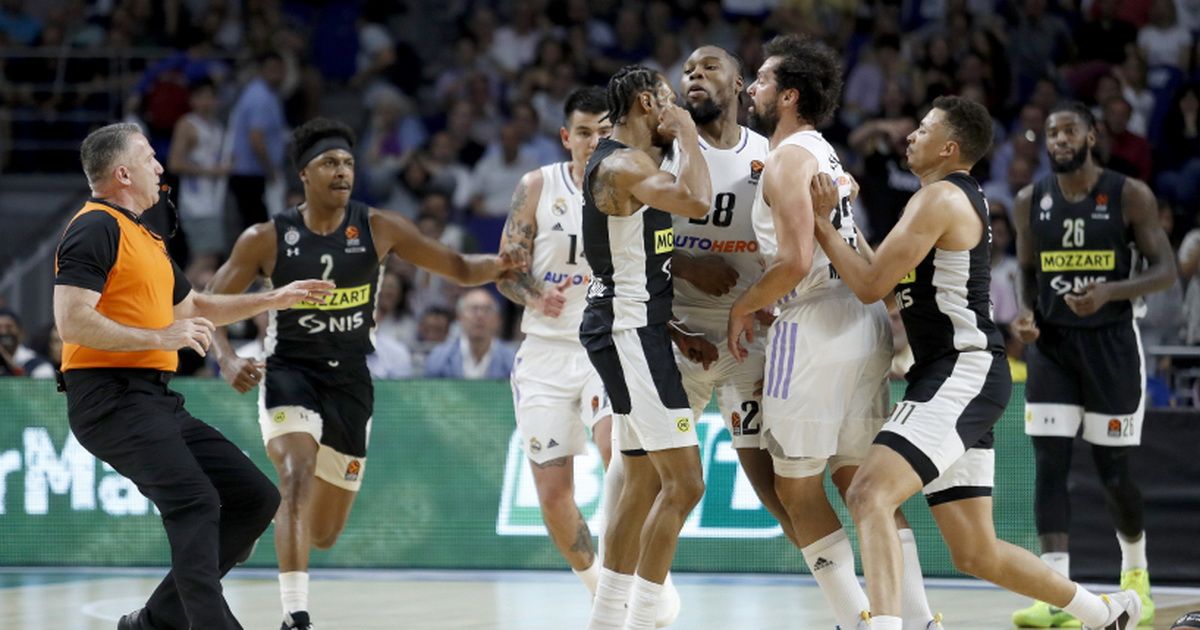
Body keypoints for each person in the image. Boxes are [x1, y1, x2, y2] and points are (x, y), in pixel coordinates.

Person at [812, 95, 1142, 630]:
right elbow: (885, 283)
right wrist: (841, 218)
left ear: (949, 147)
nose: (910, 135)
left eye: (923, 129)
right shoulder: (940, 199)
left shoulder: (940, 198)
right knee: (975, 552)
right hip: (959, 374)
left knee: (868, 493)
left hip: (960, 371)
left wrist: (821, 224)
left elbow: (870, 286)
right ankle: (1104, 613)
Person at [207, 117, 521, 630]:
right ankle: (295, 614)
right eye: (330, 162)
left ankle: (275, 527)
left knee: (324, 533)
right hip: (290, 373)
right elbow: (210, 306)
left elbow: (460, 268)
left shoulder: (379, 227)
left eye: (348, 163)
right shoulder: (266, 238)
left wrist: (503, 263)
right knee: (295, 474)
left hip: (351, 384)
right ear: (304, 174)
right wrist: (226, 358)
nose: (342, 171)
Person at [54, 122, 332, 630]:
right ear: (123, 174)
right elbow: (72, 320)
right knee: (197, 502)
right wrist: (159, 337)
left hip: (152, 398)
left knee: (254, 499)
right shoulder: (95, 226)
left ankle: (153, 622)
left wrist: (274, 298)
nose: (160, 166)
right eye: (149, 158)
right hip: (108, 398)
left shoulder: (145, 236)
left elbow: (196, 306)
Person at [728, 35, 937, 630]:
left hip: (813, 324)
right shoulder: (827, 154)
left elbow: (794, 263)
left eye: (762, 80)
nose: (751, 88)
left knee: (796, 491)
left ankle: (857, 619)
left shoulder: (788, 159)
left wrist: (742, 307)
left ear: (789, 96)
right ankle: (920, 620)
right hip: (862, 325)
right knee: (859, 481)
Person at [1011, 102, 1174, 628]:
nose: (1058, 140)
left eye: (1068, 131)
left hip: (1111, 347)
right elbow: (1027, 272)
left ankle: (1136, 576)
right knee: (1049, 466)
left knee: (1113, 472)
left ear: (1090, 136)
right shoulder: (1029, 201)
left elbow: (1166, 270)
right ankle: (1055, 593)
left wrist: (1110, 292)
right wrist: (1027, 315)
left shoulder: (1130, 194)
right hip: (1053, 349)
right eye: (1051, 133)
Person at [581, 64, 712, 630]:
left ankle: (607, 620)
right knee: (685, 484)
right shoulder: (624, 164)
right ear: (646, 103)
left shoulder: (631, 162)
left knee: (639, 483)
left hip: (637, 326)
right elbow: (698, 202)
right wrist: (689, 133)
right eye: (668, 99)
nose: (676, 106)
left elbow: (638, 258)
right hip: (629, 330)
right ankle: (641, 619)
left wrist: (673, 326)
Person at [496, 86, 618, 599]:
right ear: (567, 137)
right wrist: (534, 293)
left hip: (607, 345)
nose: (594, 141)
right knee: (552, 495)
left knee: (620, 459)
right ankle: (598, 586)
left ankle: (630, 578)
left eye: (604, 132)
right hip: (545, 353)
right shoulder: (538, 185)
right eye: (584, 132)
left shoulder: (633, 186)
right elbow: (506, 270)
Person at [166, 78, 229, 267]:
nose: (206, 102)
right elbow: (174, 163)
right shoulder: (188, 125)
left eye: (210, 97)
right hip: (196, 203)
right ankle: (179, 288)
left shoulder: (218, 128)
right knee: (205, 258)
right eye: (201, 97)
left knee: (211, 259)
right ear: (192, 100)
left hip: (215, 200)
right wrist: (212, 171)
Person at [424, 288, 517, 379]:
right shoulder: (438, 358)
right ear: (459, 317)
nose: (480, 316)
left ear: (498, 319)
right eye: (473, 309)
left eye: (487, 310)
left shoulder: (512, 360)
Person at [0, 308, 55, 378]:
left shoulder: (38, 365)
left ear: (21, 333)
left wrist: (7, 360)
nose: (3, 332)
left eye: (9, 327)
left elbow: (43, 382)